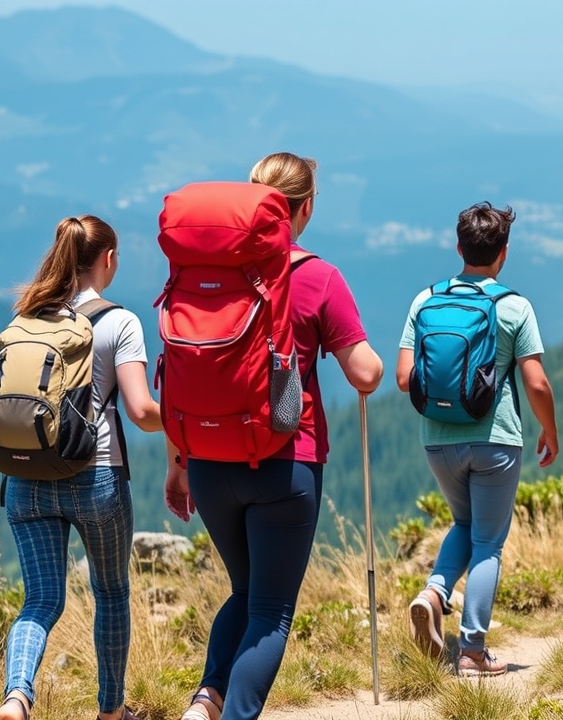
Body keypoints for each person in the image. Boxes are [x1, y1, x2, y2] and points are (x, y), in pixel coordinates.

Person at [165, 152, 383, 720]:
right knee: (270, 610)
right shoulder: (316, 276)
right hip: (286, 462)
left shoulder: (203, 276)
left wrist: (179, 465)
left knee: (244, 592)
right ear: (305, 207)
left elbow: (182, 372)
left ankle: (205, 701)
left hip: (209, 462)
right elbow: (364, 373)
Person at [0, 215, 162, 720]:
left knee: (41, 600)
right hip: (97, 480)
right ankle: (111, 712)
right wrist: (185, 425)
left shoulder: (27, 318)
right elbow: (140, 410)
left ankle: (16, 697)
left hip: (25, 477)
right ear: (107, 259)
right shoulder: (120, 322)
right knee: (110, 591)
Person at [397, 201, 559, 677]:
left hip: (438, 440)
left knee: (465, 525)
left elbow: (406, 378)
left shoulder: (425, 300)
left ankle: (434, 593)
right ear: (503, 253)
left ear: (458, 247)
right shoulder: (513, 306)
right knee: (488, 541)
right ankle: (471, 652)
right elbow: (537, 382)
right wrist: (549, 429)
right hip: (496, 440)